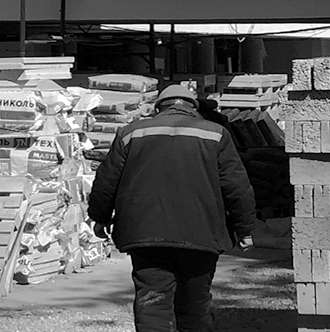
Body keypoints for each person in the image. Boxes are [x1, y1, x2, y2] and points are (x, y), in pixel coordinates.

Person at [88, 79, 257, 332]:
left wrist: (99, 217)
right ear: (193, 108)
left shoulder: (131, 132)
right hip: (201, 236)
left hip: (146, 235)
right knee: (194, 306)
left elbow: (106, 180)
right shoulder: (215, 133)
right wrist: (245, 229)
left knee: (152, 304)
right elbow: (237, 186)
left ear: (158, 108)